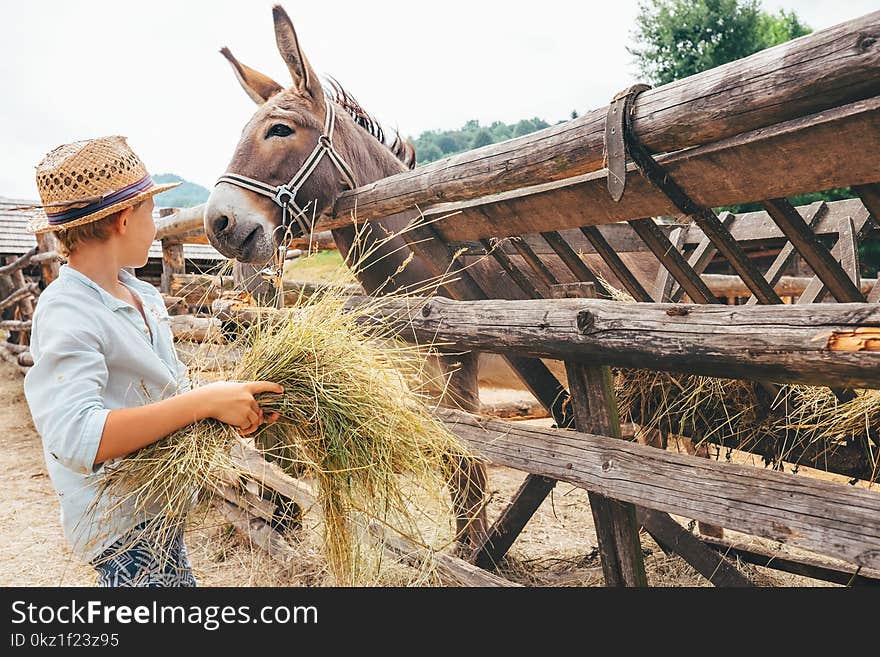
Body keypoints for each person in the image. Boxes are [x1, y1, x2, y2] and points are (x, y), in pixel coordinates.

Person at [20, 135, 282, 586]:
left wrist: (225, 406)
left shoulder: (137, 293)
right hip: (121, 530)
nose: (155, 223)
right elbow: (79, 438)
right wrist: (203, 403)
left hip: (156, 511)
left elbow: (162, 398)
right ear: (124, 219)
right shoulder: (67, 310)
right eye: (150, 212)